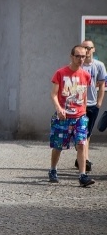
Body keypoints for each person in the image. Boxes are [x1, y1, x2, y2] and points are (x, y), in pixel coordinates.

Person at [48, 45, 94, 187]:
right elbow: (53, 94)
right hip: (63, 117)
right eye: (78, 56)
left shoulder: (86, 75)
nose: (81, 59)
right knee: (58, 146)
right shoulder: (60, 73)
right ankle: (53, 169)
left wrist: (84, 112)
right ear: (71, 56)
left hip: (80, 117)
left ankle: (82, 176)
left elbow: (84, 95)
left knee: (81, 144)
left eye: (83, 56)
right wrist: (59, 108)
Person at [77, 39, 105, 172]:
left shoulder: (99, 65)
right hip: (78, 105)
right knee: (82, 133)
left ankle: (82, 158)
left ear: (93, 49)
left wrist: (99, 102)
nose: (86, 50)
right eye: (84, 48)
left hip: (93, 104)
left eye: (89, 48)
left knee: (87, 133)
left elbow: (102, 84)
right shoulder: (78, 65)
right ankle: (85, 159)